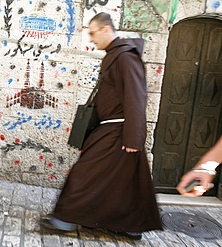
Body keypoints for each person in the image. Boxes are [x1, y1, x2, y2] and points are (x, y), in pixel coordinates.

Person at [40, 12, 163, 240]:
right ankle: (127, 224)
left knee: (85, 172)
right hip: (112, 128)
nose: (91, 39)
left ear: (106, 29)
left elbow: (136, 97)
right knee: (119, 181)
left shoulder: (126, 57)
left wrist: (134, 138)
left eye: (93, 33)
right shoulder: (115, 55)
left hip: (120, 131)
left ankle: (64, 219)